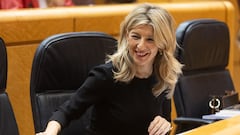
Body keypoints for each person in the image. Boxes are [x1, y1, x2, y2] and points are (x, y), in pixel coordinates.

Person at [36, 3, 182, 135]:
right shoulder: (106, 75)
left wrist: (164, 125)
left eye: (150, 39)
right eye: (135, 36)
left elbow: (164, 122)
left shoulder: (163, 77)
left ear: (162, 44)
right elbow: (66, 111)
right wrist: (50, 132)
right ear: (126, 36)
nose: (140, 46)